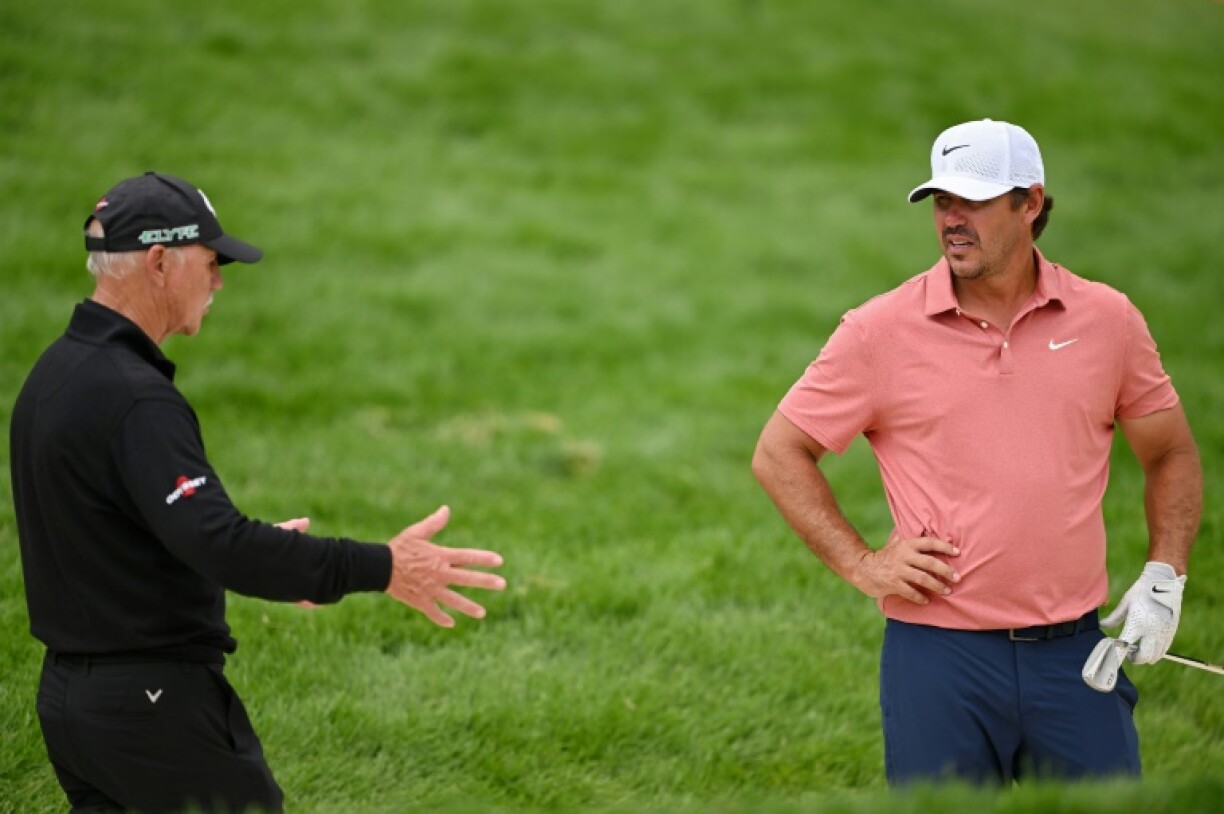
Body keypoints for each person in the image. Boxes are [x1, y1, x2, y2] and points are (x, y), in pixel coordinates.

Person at [10, 171, 508, 813]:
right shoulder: (135, 400)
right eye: (212, 262)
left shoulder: (57, 373)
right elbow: (218, 543)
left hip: (73, 707)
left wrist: (266, 556)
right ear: (160, 262)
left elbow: (123, 532)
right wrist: (386, 567)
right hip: (153, 713)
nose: (218, 281)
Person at [751, 120, 1201, 785]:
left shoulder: (1109, 321)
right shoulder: (879, 331)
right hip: (938, 662)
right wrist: (861, 564)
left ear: (1031, 203)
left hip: (1072, 656)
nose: (952, 220)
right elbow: (779, 452)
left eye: (974, 201)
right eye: (941, 202)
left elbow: (1170, 452)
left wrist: (1166, 574)